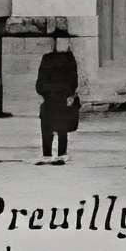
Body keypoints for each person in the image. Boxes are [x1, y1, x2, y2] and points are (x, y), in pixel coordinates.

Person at [35, 28, 78, 163]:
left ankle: (61, 153)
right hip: (50, 96)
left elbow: (74, 79)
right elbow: (40, 79)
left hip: (60, 97)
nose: (63, 44)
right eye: (60, 41)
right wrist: (41, 93)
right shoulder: (48, 58)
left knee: (61, 127)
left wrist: (71, 95)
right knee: (48, 126)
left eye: (65, 41)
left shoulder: (69, 58)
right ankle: (48, 154)